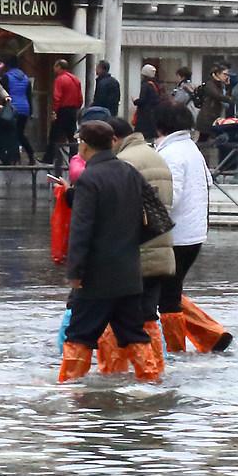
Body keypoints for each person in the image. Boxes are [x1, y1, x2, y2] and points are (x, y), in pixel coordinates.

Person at [57, 120, 167, 382]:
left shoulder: (88, 179)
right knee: (133, 332)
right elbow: (159, 218)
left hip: (97, 277)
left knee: (79, 334)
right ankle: (151, 380)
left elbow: (81, 230)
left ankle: (70, 389)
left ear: (84, 146)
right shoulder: (129, 172)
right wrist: (129, 241)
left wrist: (75, 271)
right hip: (129, 272)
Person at [148, 104, 230, 353]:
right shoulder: (191, 149)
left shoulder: (171, 153)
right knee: (167, 290)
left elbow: (170, 198)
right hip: (193, 233)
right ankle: (211, 336)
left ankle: (174, 350)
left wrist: (150, 225)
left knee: (166, 295)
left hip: (177, 235)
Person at [107, 116, 180, 380]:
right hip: (160, 247)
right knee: (149, 312)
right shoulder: (153, 155)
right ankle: (155, 368)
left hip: (137, 250)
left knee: (122, 314)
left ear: (114, 139)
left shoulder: (125, 162)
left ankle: (121, 371)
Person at [193, 62, 231, 172]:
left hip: (215, 117)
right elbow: (217, 96)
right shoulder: (211, 84)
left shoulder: (221, 85)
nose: (226, 77)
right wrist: (230, 99)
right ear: (217, 74)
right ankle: (202, 163)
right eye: (224, 74)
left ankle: (209, 164)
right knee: (204, 140)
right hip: (207, 117)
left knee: (208, 140)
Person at [1, 60, 35, 164]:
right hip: (24, 108)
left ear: (8, 66)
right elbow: (29, 95)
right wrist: (30, 111)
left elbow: (3, 93)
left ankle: (13, 158)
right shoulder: (25, 78)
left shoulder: (6, 77)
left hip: (12, 109)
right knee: (20, 133)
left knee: (10, 133)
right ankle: (31, 155)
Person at [50, 59, 83, 163]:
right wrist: (77, 107)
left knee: (54, 135)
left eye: (55, 66)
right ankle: (74, 158)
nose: (54, 68)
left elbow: (57, 97)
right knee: (71, 136)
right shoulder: (75, 79)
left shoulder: (60, 79)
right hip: (73, 110)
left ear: (59, 67)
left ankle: (49, 158)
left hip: (62, 110)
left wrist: (54, 111)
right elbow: (80, 97)